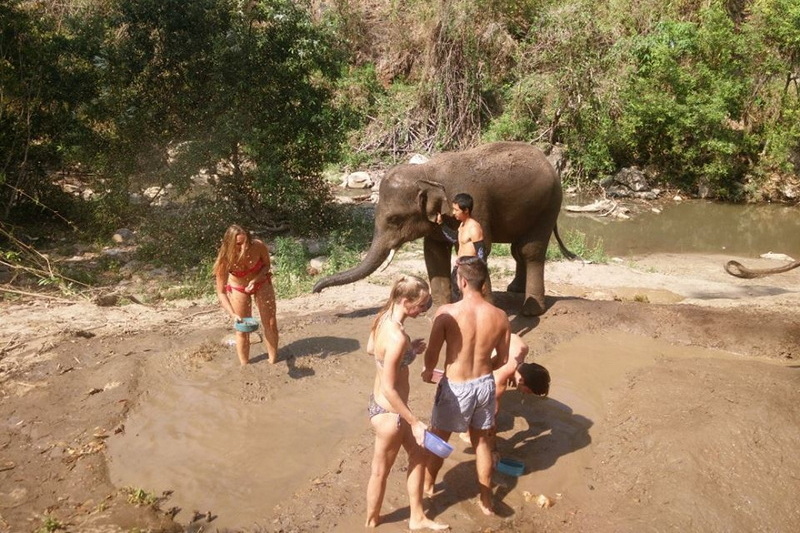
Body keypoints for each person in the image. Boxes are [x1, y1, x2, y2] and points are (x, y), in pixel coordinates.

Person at [421, 256, 511, 515]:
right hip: (484, 384)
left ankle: (428, 487)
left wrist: (428, 372)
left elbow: (432, 355)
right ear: (482, 283)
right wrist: (482, 370)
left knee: (439, 440)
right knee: (483, 443)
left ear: (461, 281)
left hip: (455, 386)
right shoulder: (500, 316)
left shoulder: (447, 313)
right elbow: (503, 359)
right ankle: (486, 500)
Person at [365, 275, 449, 531]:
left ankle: (404, 518)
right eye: (420, 305)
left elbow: (371, 349)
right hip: (393, 415)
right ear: (405, 300)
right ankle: (376, 521)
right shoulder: (397, 336)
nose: (422, 310)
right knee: (382, 471)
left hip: (377, 406)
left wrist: (409, 352)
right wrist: (414, 422)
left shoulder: (382, 318)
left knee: (418, 455)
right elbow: (391, 389)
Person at [213, 224, 278, 365]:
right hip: (238, 288)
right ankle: (245, 366)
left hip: (260, 282)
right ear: (229, 244)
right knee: (242, 329)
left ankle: (273, 362)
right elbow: (221, 292)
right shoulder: (224, 260)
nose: (243, 248)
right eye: (238, 244)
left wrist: (256, 279)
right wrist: (232, 314)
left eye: (246, 243)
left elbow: (266, 266)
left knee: (271, 323)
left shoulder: (258, 246)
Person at [436, 192, 488, 301]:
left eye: (456, 210)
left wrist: (482, 279)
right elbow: (454, 238)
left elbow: (481, 253)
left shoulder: (474, 228)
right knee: (456, 298)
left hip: (470, 269)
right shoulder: (462, 225)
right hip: (459, 267)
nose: (453, 213)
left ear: (466, 211)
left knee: (468, 300)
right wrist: (441, 224)